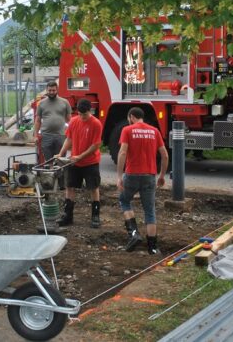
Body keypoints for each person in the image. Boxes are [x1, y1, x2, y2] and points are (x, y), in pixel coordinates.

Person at [116, 107, 169, 254]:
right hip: (149, 175)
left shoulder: (127, 130)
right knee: (150, 210)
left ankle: (134, 234)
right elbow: (164, 156)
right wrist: (162, 175)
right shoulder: (154, 131)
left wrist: (119, 176)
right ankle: (152, 247)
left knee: (125, 201)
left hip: (132, 174)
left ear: (131, 117)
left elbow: (122, 153)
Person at [56, 98, 103, 228]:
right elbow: (69, 139)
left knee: (93, 188)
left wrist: (80, 156)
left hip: (90, 162)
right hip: (74, 161)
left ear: (90, 111)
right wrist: (61, 153)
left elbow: (95, 145)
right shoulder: (74, 121)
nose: (82, 117)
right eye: (80, 114)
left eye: (85, 114)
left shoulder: (96, 124)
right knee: (69, 187)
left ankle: (95, 216)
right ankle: (68, 216)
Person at [34, 81, 72, 188]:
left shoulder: (65, 102)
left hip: (61, 136)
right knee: (48, 161)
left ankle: (61, 184)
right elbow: (37, 120)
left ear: (57, 90)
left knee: (60, 161)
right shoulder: (41, 103)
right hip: (46, 136)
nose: (51, 92)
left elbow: (70, 120)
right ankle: (49, 183)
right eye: (49, 90)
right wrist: (35, 135)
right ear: (46, 90)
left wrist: (73, 134)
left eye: (53, 90)